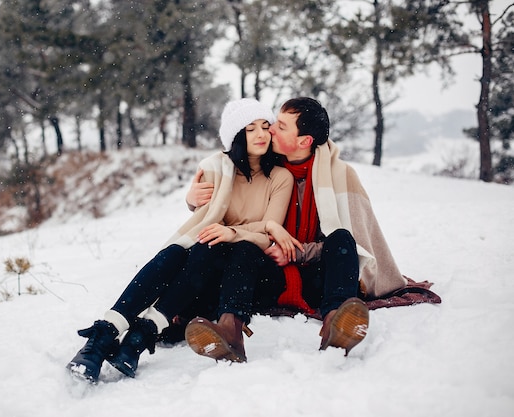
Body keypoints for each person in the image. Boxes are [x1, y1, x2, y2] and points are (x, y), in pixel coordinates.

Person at [66, 98, 294, 383]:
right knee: (177, 252)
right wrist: (192, 200)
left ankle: (146, 333)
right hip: (209, 264)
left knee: (238, 247)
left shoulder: (280, 177)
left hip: (250, 272)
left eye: (265, 126)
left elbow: (269, 228)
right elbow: (204, 219)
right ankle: (108, 334)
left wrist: (232, 232)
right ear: (236, 136)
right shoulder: (218, 170)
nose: (260, 135)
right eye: (250, 129)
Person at [184, 97, 408, 357]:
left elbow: (357, 243)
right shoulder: (267, 165)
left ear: (304, 141)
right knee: (245, 250)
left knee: (342, 240)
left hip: (317, 277)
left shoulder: (338, 174)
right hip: (272, 273)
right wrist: (192, 199)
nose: (270, 130)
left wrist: (298, 252)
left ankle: (336, 323)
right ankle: (230, 330)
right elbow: (229, 202)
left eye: (280, 126)